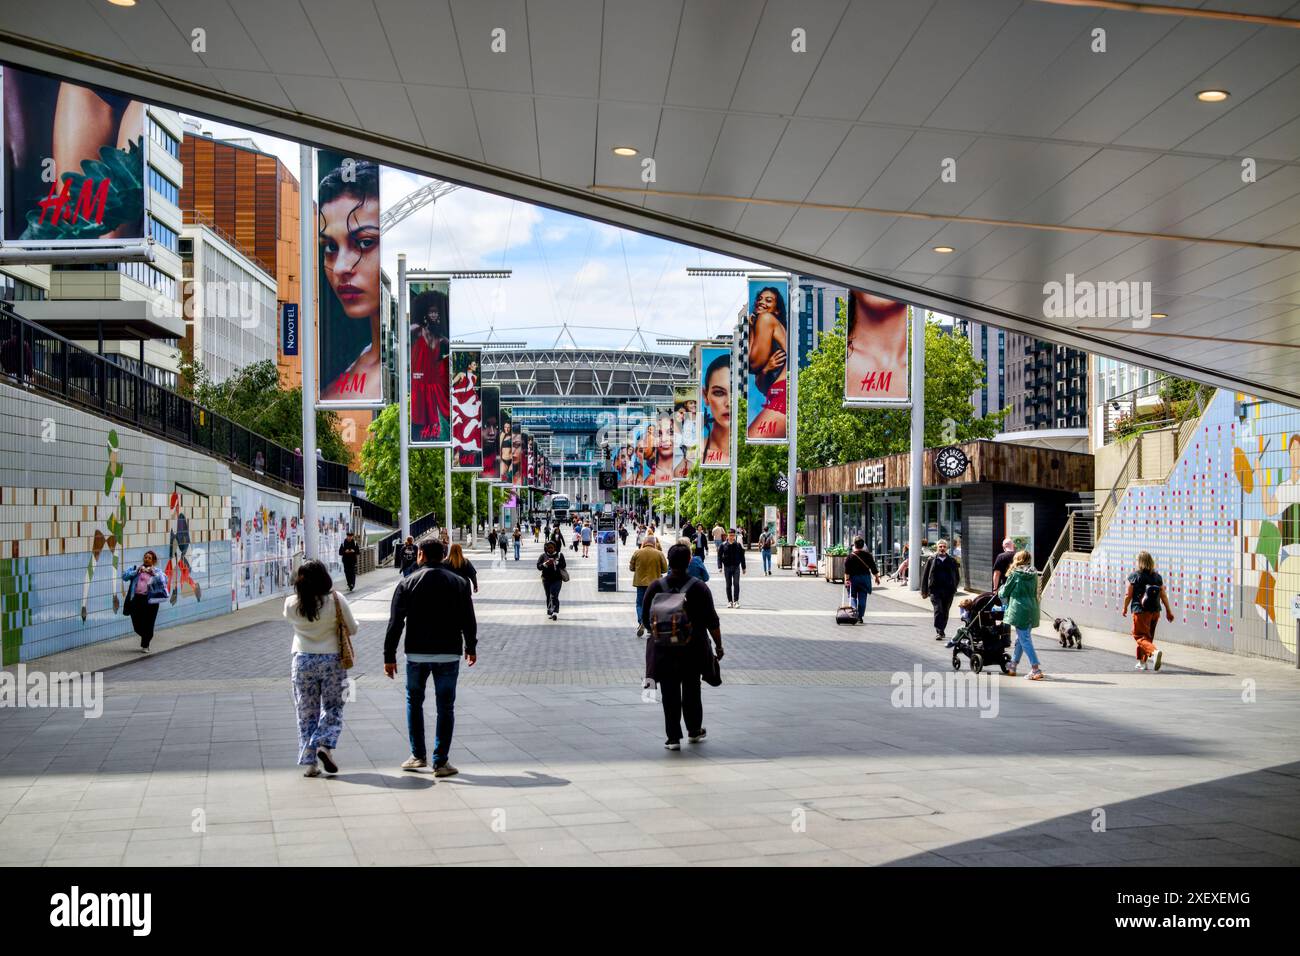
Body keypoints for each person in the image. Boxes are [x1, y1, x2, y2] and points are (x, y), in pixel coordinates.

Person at [384, 540, 477, 776]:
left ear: (421, 554)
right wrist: (471, 647)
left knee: (414, 702)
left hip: (416, 653)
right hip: (449, 652)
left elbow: (395, 623)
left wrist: (389, 656)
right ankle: (441, 760)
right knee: (445, 706)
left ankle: (418, 756)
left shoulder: (407, 583)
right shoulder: (459, 583)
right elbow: (468, 618)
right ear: (443, 554)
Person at [642, 544, 724, 751]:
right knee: (692, 690)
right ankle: (694, 730)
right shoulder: (699, 587)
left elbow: (644, 619)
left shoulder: (655, 586)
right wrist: (719, 646)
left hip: (663, 650)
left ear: (668, 561)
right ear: (689, 561)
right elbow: (712, 621)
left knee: (669, 693)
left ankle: (673, 738)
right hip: (693, 649)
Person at [318, 160, 384, 403]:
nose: (341, 267)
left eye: (365, 242)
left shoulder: (423, 368)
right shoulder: (342, 371)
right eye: (330, 247)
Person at [284, 559, 357, 777]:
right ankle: (324, 744)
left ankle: (310, 764)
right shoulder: (336, 599)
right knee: (334, 706)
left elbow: (293, 620)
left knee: (305, 712)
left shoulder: (291, 603)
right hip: (332, 660)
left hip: (302, 660)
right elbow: (352, 629)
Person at [746, 285, 789, 441]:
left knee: (752, 436)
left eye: (768, 300)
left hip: (782, 398)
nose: (761, 302)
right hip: (778, 396)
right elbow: (762, 385)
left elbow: (751, 365)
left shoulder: (766, 319)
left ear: (776, 310)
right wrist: (766, 370)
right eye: (759, 299)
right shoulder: (767, 330)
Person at [1122, 551, 1173, 672]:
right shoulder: (1157, 577)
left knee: (1139, 636)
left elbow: (1128, 595)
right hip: (1155, 611)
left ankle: (1154, 652)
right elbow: (1163, 595)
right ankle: (1142, 662)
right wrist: (1168, 611)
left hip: (1140, 611)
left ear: (1139, 562)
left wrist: (1124, 607)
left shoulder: (1135, 576)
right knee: (1147, 638)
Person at [999, 550, 1044, 680]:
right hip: (1032, 607)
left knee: (1024, 639)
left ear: (1017, 559)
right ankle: (1012, 665)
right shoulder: (1034, 573)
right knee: (1021, 638)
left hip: (1019, 609)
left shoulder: (1015, 574)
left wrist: (1000, 590)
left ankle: (1035, 669)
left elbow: (1004, 592)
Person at [121, 550, 169, 651]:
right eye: (145, 557)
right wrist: (136, 571)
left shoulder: (157, 571)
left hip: (151, 601)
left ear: (153, 561)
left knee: (149, 623)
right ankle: (146, 636)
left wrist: (153, 573)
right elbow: (124, 577)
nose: (147, 559)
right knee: (137, 623)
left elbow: (164, 580)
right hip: (137, 599)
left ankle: (145, 645)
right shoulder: (137, 569)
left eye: (149, 558)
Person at [921, 538, 960, 642]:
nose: (942, 548)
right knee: (938, 610)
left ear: (947, 548)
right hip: (935, 590)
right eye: (940, 546)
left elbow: (957, 576)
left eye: (944, 547)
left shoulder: (952, 560)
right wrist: (924, 591)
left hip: (948, 591)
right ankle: (939, 632)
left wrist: (954, 587)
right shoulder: (931, 559)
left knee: (945, 611)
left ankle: (942, 629)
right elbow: (925, 576)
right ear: (937, 548)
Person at [631, 534, 669, 637]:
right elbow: (665, 569)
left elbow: (631, 567)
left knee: (640, 603)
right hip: (654, 583)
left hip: (640, 583)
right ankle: (650, 626)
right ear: (654, 543)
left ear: (644, 542)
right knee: (653, 604)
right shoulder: (659, 553)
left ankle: (641, 622)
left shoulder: (637, 552)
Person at [701, 353, 731, 466]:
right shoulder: (695, 455)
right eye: (719, 393)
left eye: (736, 394)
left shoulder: (759, 451)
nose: (729, 403)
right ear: (705, 396)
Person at [844, 537, 881, 625]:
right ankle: (860, 616)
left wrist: (846, 580)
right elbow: (873, 568)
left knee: (852, 596)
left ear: (854, 545)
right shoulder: (868, 555)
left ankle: (854, 614)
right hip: (865, 578)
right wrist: (877, 577)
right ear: (863, 545)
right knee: (863, 597)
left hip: (854, 579)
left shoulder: (850, 556)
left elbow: (847, 571)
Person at [537, 540, 567, 620]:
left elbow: (563, 565)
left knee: (554, 595)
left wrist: (556, 562)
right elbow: (538, 567)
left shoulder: (560, 555)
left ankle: (555, 612)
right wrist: (545, 564)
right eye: (548, 548)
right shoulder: (543, 556)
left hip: (557, 579)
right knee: (548, 595)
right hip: (546, 579)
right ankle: (550, 611)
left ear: (555, 548)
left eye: (551, 547)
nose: (550, 549)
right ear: (546, 548)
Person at [718, 529, 746, 608]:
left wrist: (743, 567)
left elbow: (742, 557)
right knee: (728, 585)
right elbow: (719, 556)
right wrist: (720, 566)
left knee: (736, 584)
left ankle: (736, 601)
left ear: (734, 536)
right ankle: (730, 601)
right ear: (727, 535)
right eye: (730, 535)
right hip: (727, 567)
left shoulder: (738, 545)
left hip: (736, 567)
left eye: (733, 535)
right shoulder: (723, 545)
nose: (731, 537)